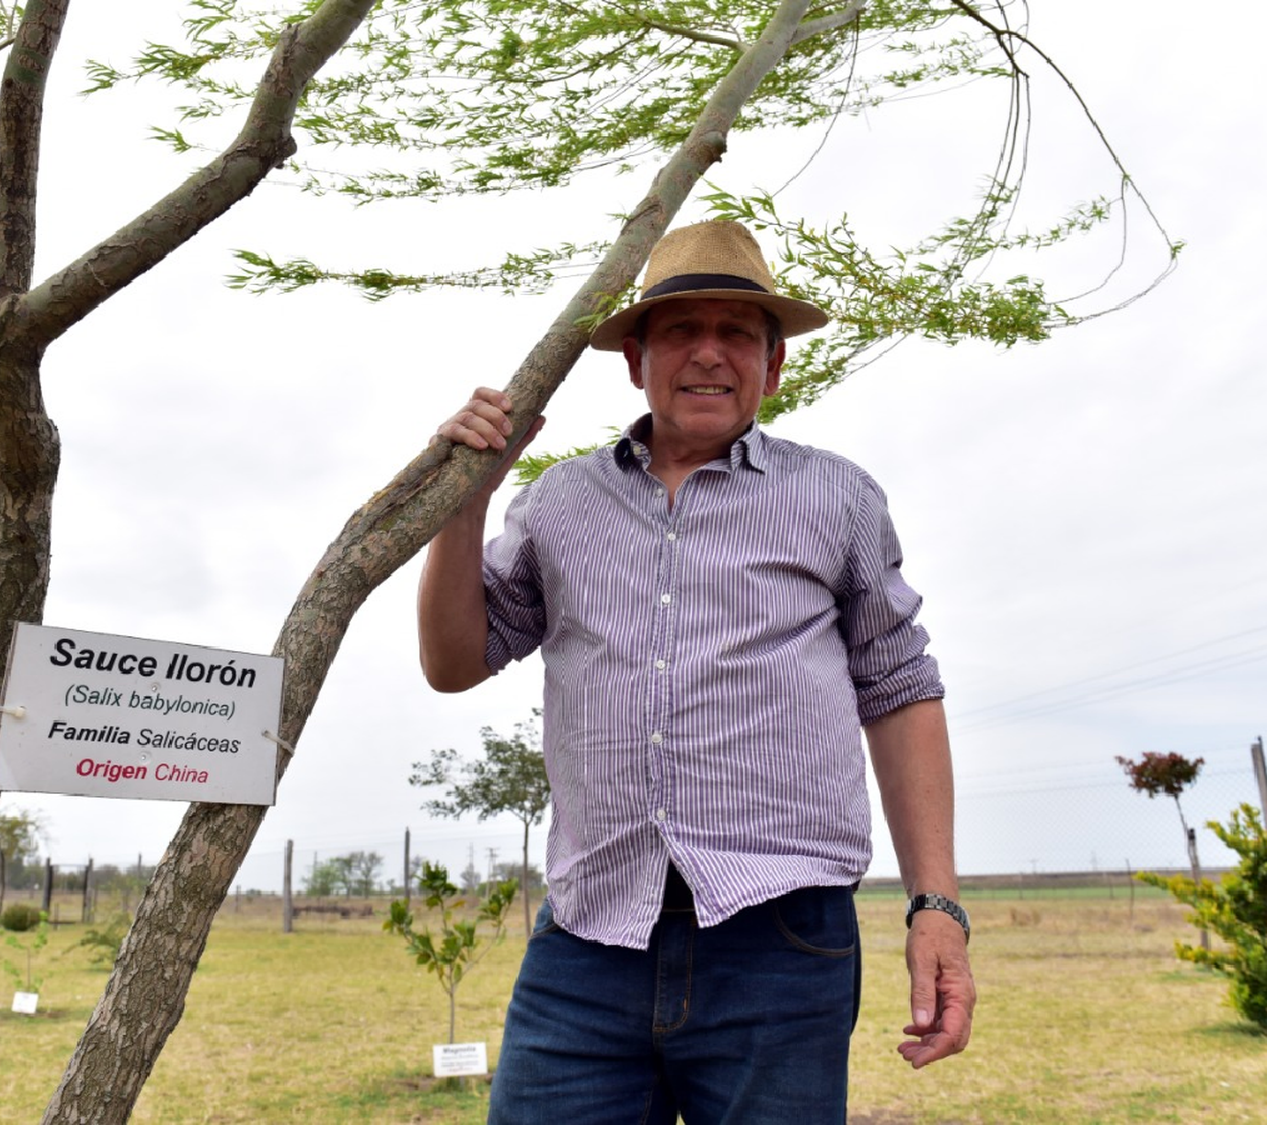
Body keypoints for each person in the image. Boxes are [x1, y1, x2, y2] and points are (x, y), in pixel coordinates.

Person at [418, 220, 975, 1124]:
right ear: (635, 360)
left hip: (781, 940)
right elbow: (453, 661)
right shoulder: (558, 501)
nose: (709, 353)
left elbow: (901, 688)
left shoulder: (835, 497)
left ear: (774, 364)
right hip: (589, 936)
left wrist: (936, 904)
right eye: (681, 329)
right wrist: (465, 499)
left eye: (738, 332)